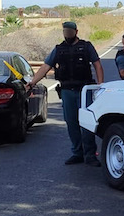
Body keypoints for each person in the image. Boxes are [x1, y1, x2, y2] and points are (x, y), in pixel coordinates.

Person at [27, 21, 104, 166]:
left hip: (84, 90)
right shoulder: (59, 49)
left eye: (69, 31)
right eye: (65, 31)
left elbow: (97, 65)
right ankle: (77, 153)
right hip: (67, 91)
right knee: (71, 123)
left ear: (76, 31)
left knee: (87, 123)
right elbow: (45, 67)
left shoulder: (86, 47)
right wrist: (32, 82)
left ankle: (90, 155)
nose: (67, 34)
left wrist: (100, 86)